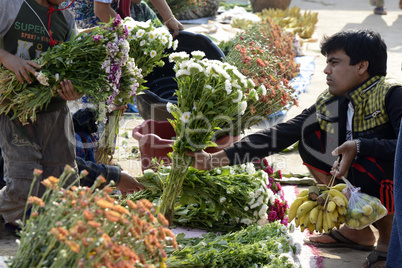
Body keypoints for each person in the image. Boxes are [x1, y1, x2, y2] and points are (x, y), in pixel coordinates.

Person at [187, 29, 402, 267]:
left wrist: (361, 145)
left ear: (361, 66)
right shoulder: (333, 101)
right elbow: (282, 133)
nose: (326, 71)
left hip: (391, 174)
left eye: (334, 62)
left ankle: (389, 241)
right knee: (310, 138)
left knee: (373, 164)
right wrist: (217, 159)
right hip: (362, 166)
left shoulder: (392, 95)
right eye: (327, 62)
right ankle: (357, 232)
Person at [0, 0, 82, 228]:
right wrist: (8, 58)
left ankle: (49, 241)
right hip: (15, 110)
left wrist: (74, 91)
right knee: (23, 187)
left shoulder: (66, 17)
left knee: (64, 185)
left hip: (56, 113)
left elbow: (74, 68)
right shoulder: (10, 5)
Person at [94, 0, 184, 37]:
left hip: (120, 22)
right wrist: (130, 33)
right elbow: (101, 10)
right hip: (97, 27)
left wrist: (170, 18)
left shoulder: (141, 8)